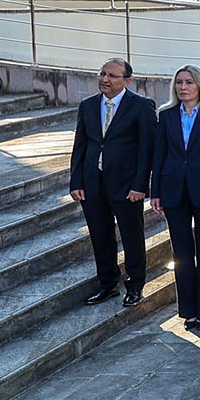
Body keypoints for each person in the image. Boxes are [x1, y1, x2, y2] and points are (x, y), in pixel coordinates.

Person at [68, 58, 158, 308]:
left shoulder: (141, 106)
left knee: (132, 236)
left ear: (127, 81)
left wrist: (140, 185)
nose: (105, 79)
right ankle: (108, 284)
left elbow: (146, 149)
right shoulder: (88, 106)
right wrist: (76, 181)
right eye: (102, 74)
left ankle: (135, 285)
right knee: (100, 235)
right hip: (92, 183)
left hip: (126, 185)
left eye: (112, 76)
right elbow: (80, 146)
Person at [149, 64, 200, 329]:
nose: (183, 87)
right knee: (181, 253)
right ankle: (188, 310)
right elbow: (158, 155)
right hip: (174, 191)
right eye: (179, 82)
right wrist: (156, 192)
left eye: (189, 82)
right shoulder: (166, 115)